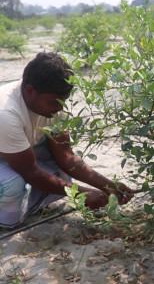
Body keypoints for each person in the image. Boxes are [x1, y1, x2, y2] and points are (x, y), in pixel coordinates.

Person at [0, 52, 134, 228]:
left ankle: (29, 202)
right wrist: (81, 194)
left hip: (17, 154)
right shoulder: (6, 114)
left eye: (63, 102)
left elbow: (66, 157)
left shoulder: (53, 103)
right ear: (29, 91)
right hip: (14, 159)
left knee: (63, 174)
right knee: (13, 185)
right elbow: (30, 172)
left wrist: (109, 185)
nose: (60, 108)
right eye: (54, 103)